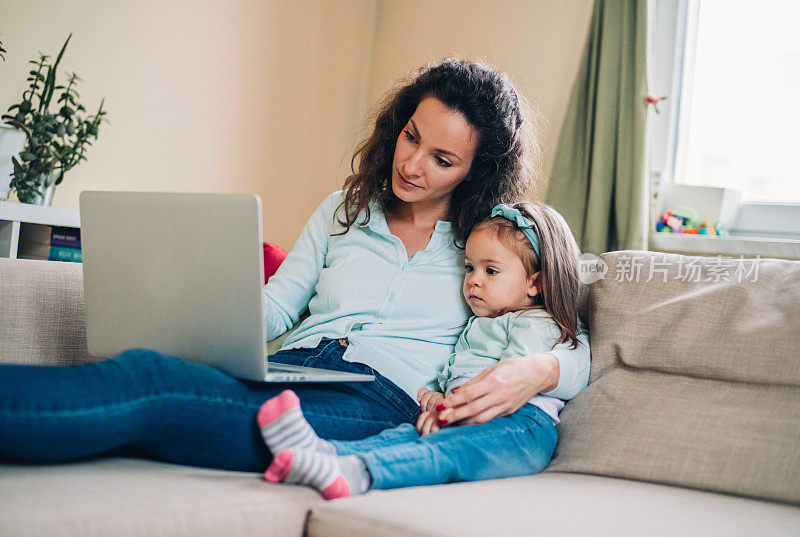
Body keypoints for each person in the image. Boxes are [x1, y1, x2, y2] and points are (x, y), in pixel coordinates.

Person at [0, 58, 589, 472]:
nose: (411, 164)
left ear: (475, 171)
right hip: (292, 369)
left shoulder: (494, 246)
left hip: (378, 400)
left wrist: (535, 372)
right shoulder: (344, 209)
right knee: (149, 369)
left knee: (148, 388)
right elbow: (280, 303)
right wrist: (195, 326)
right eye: (410, 137)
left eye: (441, 159)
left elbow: (565, 326)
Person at [255, 201, 582, 499]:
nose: (473, 281)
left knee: (446, 452)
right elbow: (458, 377)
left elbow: (507, 383)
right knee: (405, 435)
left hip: (522, 425)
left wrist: (457, 407)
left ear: (534, 284)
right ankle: (323, 453)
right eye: (469, 268)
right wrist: (439, 402)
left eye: (490, 271)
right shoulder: (478, 324)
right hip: (468, 419)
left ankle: (360, 471)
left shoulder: (534, 322)